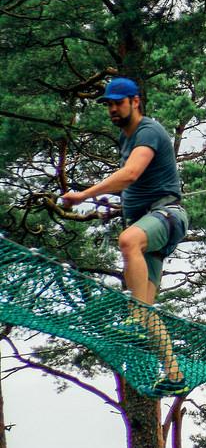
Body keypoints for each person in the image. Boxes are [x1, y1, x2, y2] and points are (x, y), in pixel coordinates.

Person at [59, 76, 187, 305]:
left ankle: (136, 319)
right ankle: (141, 319)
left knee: (128, 241)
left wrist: (83, 195)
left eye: (119, 103)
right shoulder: (126, 137)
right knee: (144, 313)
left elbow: (130, 174)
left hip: (166, 215)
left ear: (135, 102)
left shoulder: (148, 131)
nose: (113, 109)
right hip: (144, 222)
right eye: (109, 104)